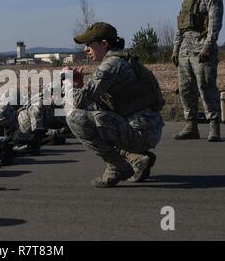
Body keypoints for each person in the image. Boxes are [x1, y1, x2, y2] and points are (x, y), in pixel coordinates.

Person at [65, 22, 164, 188]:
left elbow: (79, 102)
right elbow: (93, 101)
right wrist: (79, 86)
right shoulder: (119, 60)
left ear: (104, 44)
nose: (86, 49)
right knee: (91, 113)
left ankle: (116, 165)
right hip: (145, 128)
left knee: (74, 117)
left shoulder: (111, 64)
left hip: (139, 132)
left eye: (89, 44)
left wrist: (66, 82)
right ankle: (136, 159)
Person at [172, 0, 224, 142]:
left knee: (206, 87)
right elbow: (180, 27)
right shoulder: (186, 1)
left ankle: (214, 126)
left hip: (202, 49)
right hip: (185, 51)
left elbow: (214, 26)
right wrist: (175, 49)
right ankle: (191, 125)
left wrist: (207, 48)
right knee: (186, 89)